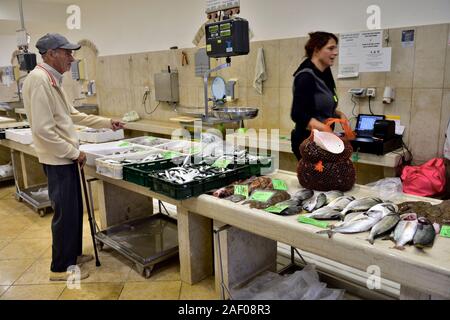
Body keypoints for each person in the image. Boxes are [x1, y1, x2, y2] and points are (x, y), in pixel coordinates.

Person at [22, 33, 125, 281]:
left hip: (65, 159)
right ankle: (60, 268)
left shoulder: (51, 79)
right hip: (58, 160)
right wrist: (74, 152)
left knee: (73, 211)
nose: (72, 58)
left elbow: (73, 115)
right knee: (64, 214)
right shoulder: (39, 81)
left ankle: (72, 255)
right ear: (50, 54)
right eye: (67, 52)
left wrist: (107, 123)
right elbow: (43, 131)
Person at [290, 31, 348, 160]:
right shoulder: (306, 76)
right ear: (317, 49)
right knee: (320, 179)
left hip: (323, 141)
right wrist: (324, 128)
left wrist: (338, 114)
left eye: (335, 48)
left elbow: (318, 105)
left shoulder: (325, 72)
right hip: (308, 142)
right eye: (330, 48)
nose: (336, 52)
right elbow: (298, 114)